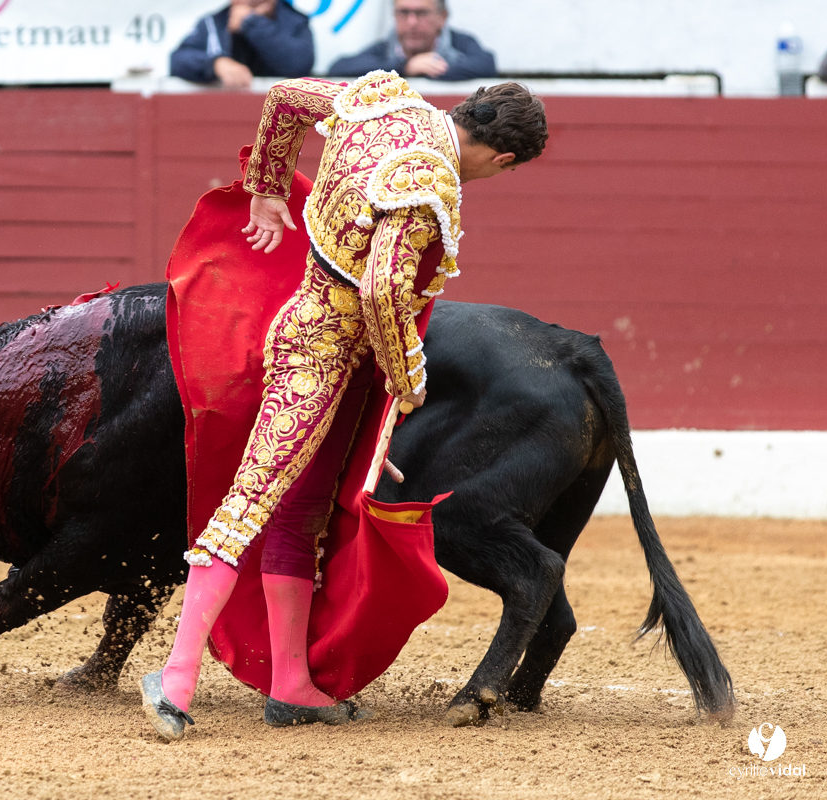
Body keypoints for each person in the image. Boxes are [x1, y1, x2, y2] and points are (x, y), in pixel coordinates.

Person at [140, 72, 548, 741]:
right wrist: (409, 380)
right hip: (321, 360)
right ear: (503, 158)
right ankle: (178, 679)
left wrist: (269, 192)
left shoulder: (383, 100)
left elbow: (286, 101)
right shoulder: (429, 181)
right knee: (251, 504)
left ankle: (293, 684)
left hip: (313, 335)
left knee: (300, 509)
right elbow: (385, 292)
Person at [328, 0, 496, 81]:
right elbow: (339, 68)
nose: (412, 22)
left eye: (421, 13)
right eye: (403, 12)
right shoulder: (383, 48)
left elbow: (486, 64)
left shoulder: (460, 43)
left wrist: (430, 69)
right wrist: (405, 67)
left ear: (442, 17)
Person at [170, 0, 315, 89]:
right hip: (226, 116)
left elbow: (299, 64)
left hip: (281, 122)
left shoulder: (294, 22)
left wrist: (251, 22)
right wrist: (216, 63)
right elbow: (178, 60)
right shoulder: (214, 22)